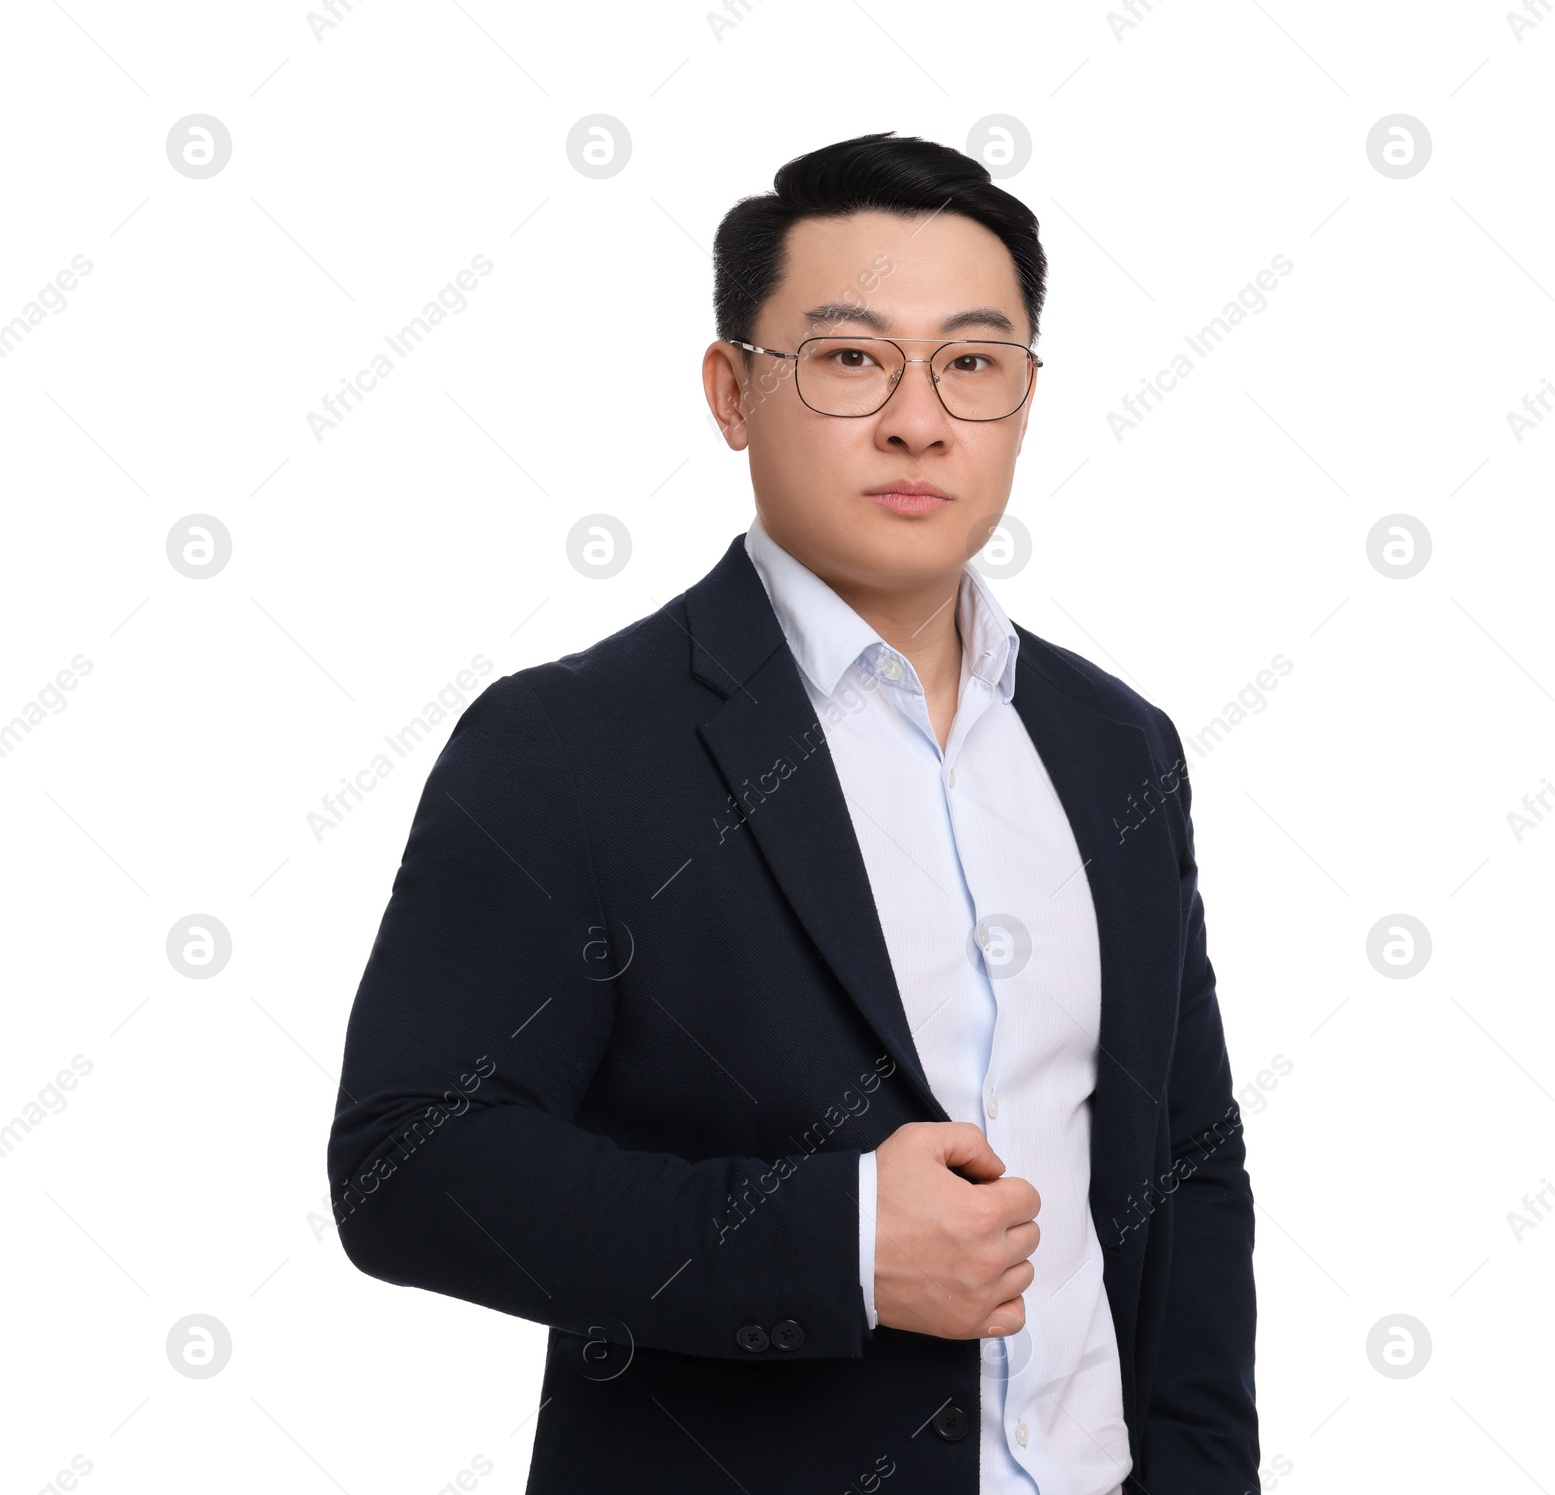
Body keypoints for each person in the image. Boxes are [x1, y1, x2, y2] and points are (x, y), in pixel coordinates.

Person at [327, 130, 1258, 1495]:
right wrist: (835, 1238)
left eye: (974, 363)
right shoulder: (567, 744)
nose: (918, 419)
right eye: (850, 357)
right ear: (732, 392)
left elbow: (1186, 1168)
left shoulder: (1117, 744)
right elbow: (408, 1166)